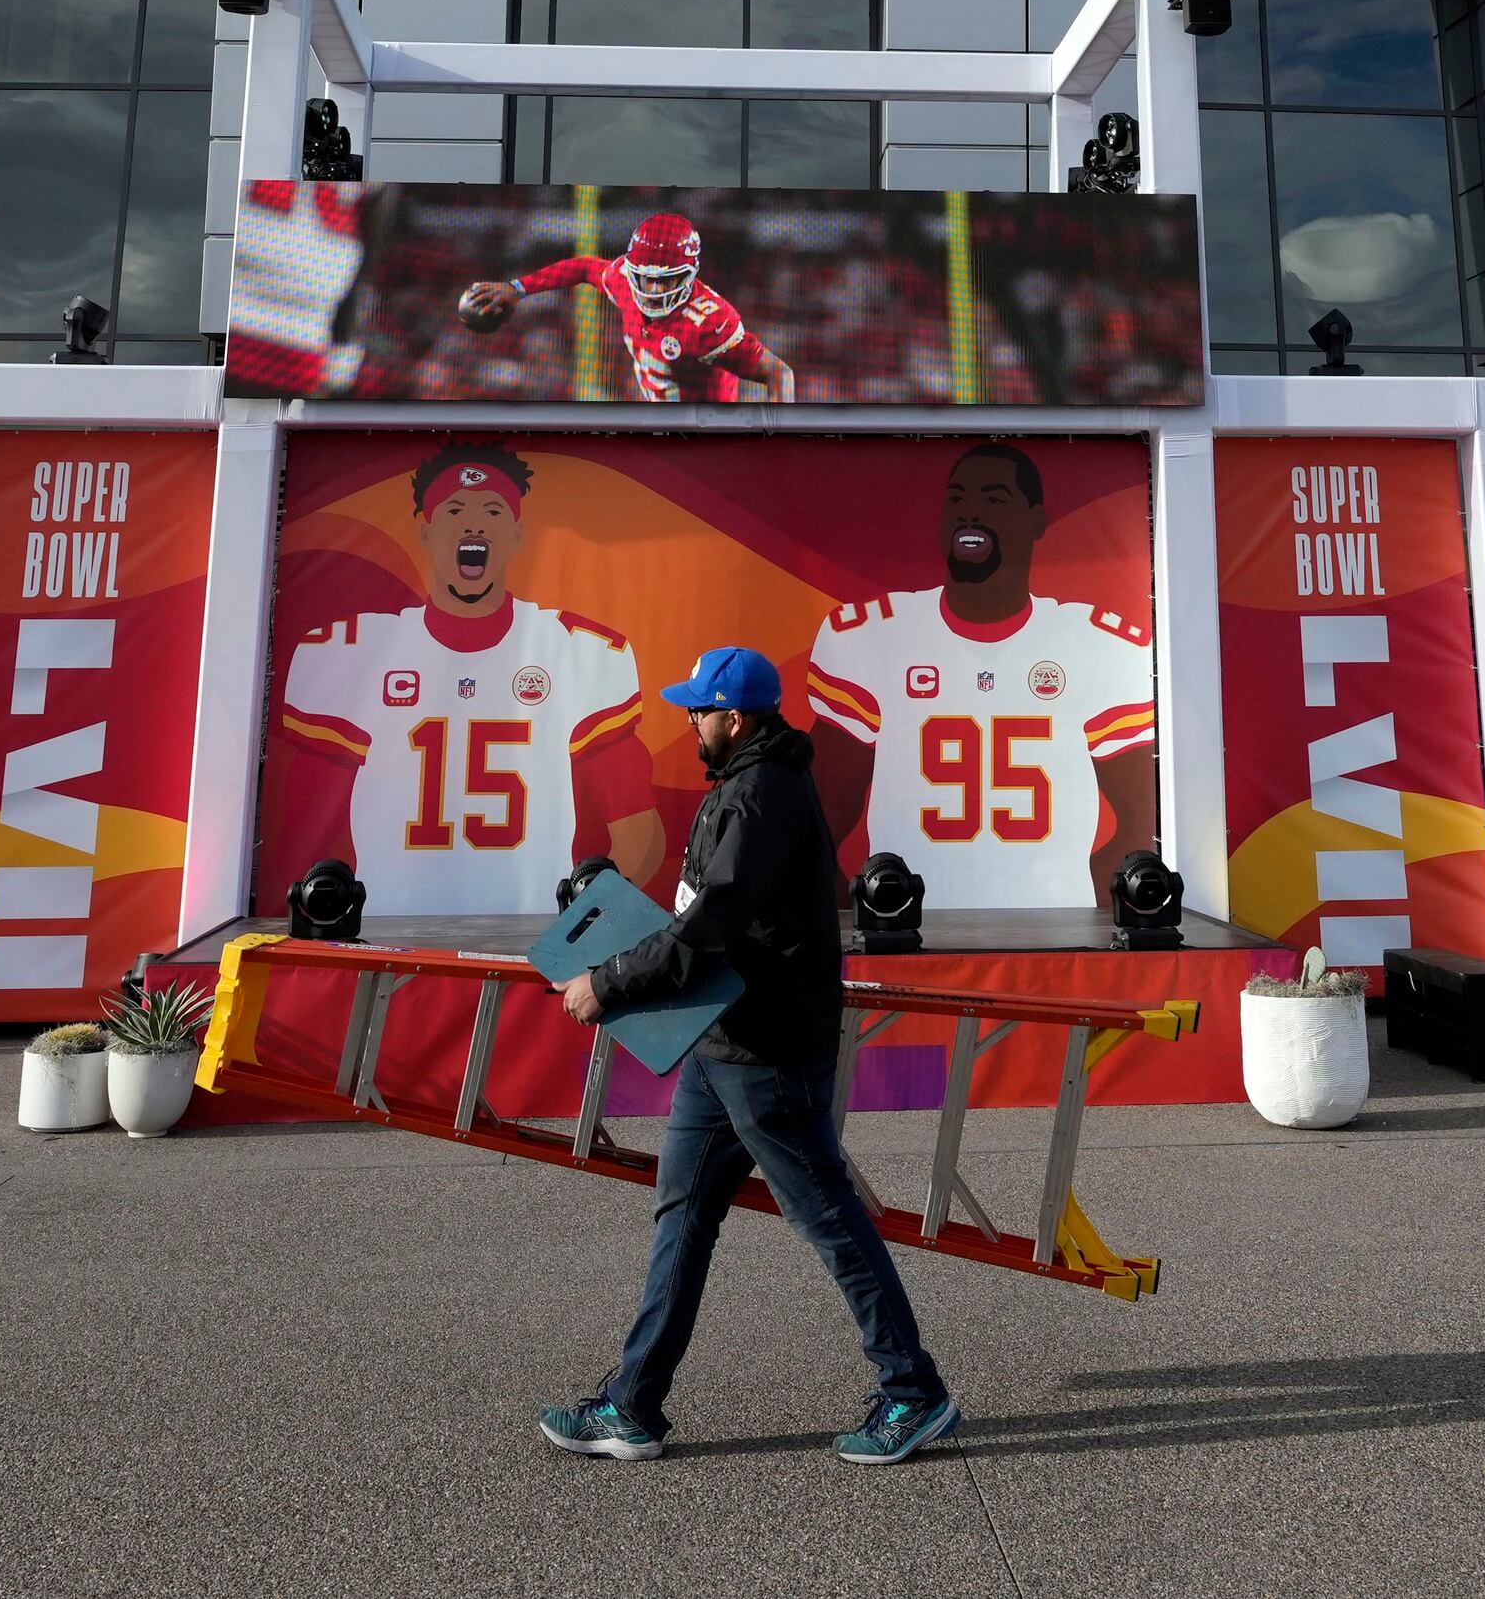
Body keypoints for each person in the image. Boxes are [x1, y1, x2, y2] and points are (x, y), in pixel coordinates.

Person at [542, 646, 958, 1470]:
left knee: (828, 1216)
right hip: (722, 1044)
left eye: (697, 709)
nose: (687, 721)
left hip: (765, 1051)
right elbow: (705, 918)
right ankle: (634, 1405)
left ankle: (914, 1389)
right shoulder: (745, 783)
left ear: (735, 717)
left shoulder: (761, 795)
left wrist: (609, 983)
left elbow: (708, 930)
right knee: (684, 1213)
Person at [263, 441, 664, 916]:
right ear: (426, 531)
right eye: (455, 510)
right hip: (388, 929)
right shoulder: (352, 650)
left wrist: (583, 925)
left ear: (516, 534)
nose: (474, 524)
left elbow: (639, 832)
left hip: (530, 932)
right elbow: (306, 830)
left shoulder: (574, 649)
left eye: (492, 511)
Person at [803, 440, 1161, 911]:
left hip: (1054, 933)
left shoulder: (1098, 644)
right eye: (957, 500)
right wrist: (858, 920)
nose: (969, 514)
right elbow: (817, 822)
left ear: (1036, 520)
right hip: (905, 931)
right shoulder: (871, 636)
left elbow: (1140, 829)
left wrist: (1073, 907)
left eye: (994, 499)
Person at [459, 213, 798, 403]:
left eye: (665, 280)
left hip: (708, 437)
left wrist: (774, 442)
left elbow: (779, 373)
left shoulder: (710, 321)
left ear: (689, 275)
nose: (652, 288)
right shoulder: (622, 279)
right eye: (644, 278)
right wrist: (518, 289)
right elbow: (582, 267)